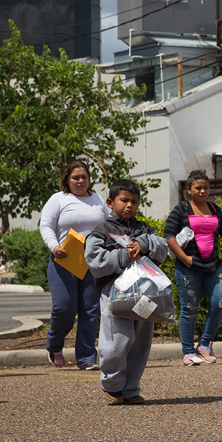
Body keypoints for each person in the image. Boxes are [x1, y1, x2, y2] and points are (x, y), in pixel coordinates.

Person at [84, 180, 169, 405]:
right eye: (124, 200)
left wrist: (144, 244)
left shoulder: (145, 230)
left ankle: (130, 389)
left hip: (145, 293)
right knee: (117, 341)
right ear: (110, 202)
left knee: (140, 342)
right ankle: (112, 386)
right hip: (114, 293)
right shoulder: (101, 232)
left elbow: (163, 248)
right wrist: (124, 256)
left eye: (134, 202)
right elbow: (95, 262)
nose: (130, 205)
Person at [163, 170, 222, 367]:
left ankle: (204, 345)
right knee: (189, 309)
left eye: (206, 187)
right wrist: (185, 258)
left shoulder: (214, 209)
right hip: (188, 268)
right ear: (189, 190)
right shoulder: (181, 209)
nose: (203, 191)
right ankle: (188, 352)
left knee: (220, 303)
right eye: (198, 188)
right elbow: (168, 236)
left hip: (213, 267)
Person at [39, 161, 113, 370]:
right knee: (64, 308)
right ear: (67, 179)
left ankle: (87, 357)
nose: (80, 181)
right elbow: (45, 225)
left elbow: (110, 224)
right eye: (75, 177)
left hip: (92, 263)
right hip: (64, 261)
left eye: (84, 177)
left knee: (90, 311)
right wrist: (54, 246)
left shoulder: (97, 199)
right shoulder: (58, 199)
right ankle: (54, 345)